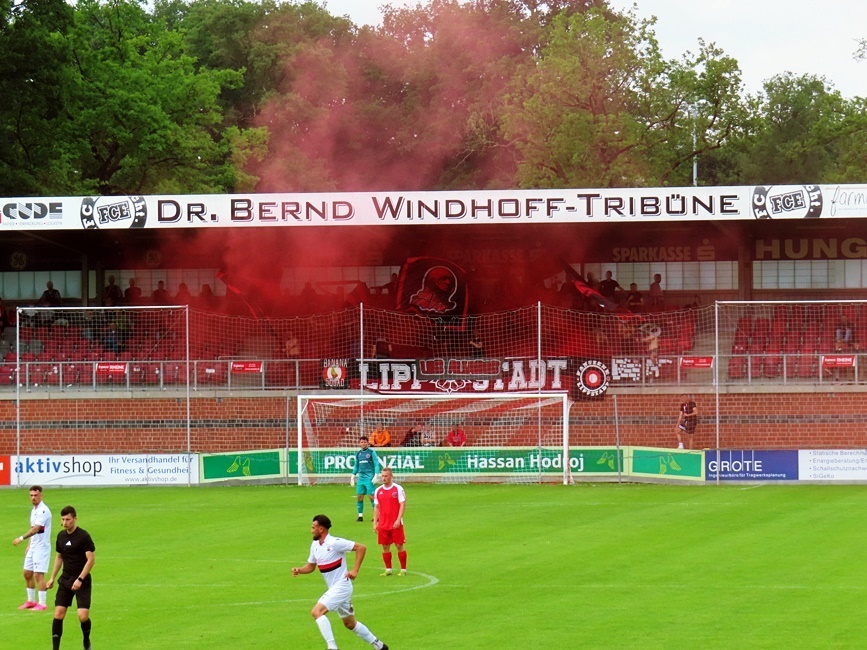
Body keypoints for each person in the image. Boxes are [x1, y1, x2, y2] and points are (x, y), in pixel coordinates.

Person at [292, 514, 389, 650]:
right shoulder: (315, 545)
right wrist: (300, 570)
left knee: (317, 612)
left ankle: (332, 647)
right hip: (334, 588)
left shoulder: (335, 543)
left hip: (342, 586)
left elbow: (361, 548)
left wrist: (355, 570)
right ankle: (379, 646)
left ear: (321, 529)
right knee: (350, 624)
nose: (311, 530)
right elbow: (311, 566)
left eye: (313, 527)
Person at [46, 506, 95, 650]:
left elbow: (91, 560)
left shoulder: (83, 536)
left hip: (82, 581)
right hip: (66, 580)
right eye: (63, 519)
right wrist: (52, 578)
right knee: (58, 614)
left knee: (82, 616)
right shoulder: (61, 536)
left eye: (68, 519)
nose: (65, 522)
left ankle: (86, 641)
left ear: (75, 519)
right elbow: (59, 557)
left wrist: (80, 579)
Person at [13, 485, 53, 611]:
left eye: (36, 495)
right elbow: (33, 528)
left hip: (42, 548)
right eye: (31, 495)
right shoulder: (34, 510)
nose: (33, 498)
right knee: (27, 573)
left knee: (38, 575)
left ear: (41, 495)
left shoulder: (43, 510)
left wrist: (21, 538)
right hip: (34, 547)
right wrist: (29, 545)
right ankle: (31, 601)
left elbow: (36, 529)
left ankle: (42, 603)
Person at [373, 468, 407, 577]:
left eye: (386, 476)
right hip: (383, 523)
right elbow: (376, 508)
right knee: (385, 546)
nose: (384, 478)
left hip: (395, 523)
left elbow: (402, 504)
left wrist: (398, 520)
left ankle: (403, 569)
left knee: (399, 545)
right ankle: (388, 569)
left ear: (391, 476)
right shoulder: (378, 491)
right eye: (382, 476)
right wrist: (375, 523)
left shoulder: (398, 489)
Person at [351, 436, 380, 522]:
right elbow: (356, 465)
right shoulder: (358, 453)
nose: (363, 443)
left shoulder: (371, 452)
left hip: (369, 477)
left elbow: (376, 464)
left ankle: (376, 516)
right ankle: (360, 516)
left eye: (364, 442)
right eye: (361, 442)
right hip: (361, 478)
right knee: (359, 497)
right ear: (359, 443)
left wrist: (376, 475)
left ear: (368, 443)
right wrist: (353, 475)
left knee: (371, 497)